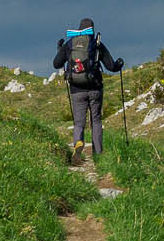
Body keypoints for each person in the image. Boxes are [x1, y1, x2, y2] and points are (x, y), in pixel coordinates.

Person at [53, 17, 123, 159]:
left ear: (79, 29)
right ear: (92, 29)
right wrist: (119, 64)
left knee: (79, 123)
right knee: (96, 120)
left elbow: (56, 63)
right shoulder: (96, 44)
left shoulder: (70, 44)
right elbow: (111, 66)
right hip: (95, 88)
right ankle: (98, 153)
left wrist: (60, 49)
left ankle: (78, 143)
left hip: (76, 89)